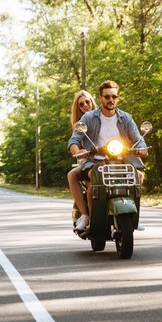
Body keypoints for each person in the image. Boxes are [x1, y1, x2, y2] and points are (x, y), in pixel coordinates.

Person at [68, 80, 148, 231]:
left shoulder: (126, 118)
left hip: (122, 160)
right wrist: (77, 151)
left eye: (114, 96)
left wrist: (142, 148)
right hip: (95, 161)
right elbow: (74, 139)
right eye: (107, 97)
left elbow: (138, 139)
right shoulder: (88, 118)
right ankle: (89, 218)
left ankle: (133, 217)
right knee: (94, 182)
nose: (110, 100)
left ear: (117, 98)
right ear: (100, 98)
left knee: (139, 176)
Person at [67, 90, 97, 227]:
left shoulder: (105, 117)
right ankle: (85, 215)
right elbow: (73, 142)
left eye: (87, 101)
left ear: (92, 101)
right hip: (89, 161)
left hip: (111, 158)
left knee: (137, 174)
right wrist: (79, 152)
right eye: (81, 104)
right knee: (72, 175)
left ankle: (133, 216)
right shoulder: (80, 124)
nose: (85, 105)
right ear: (78, 108)